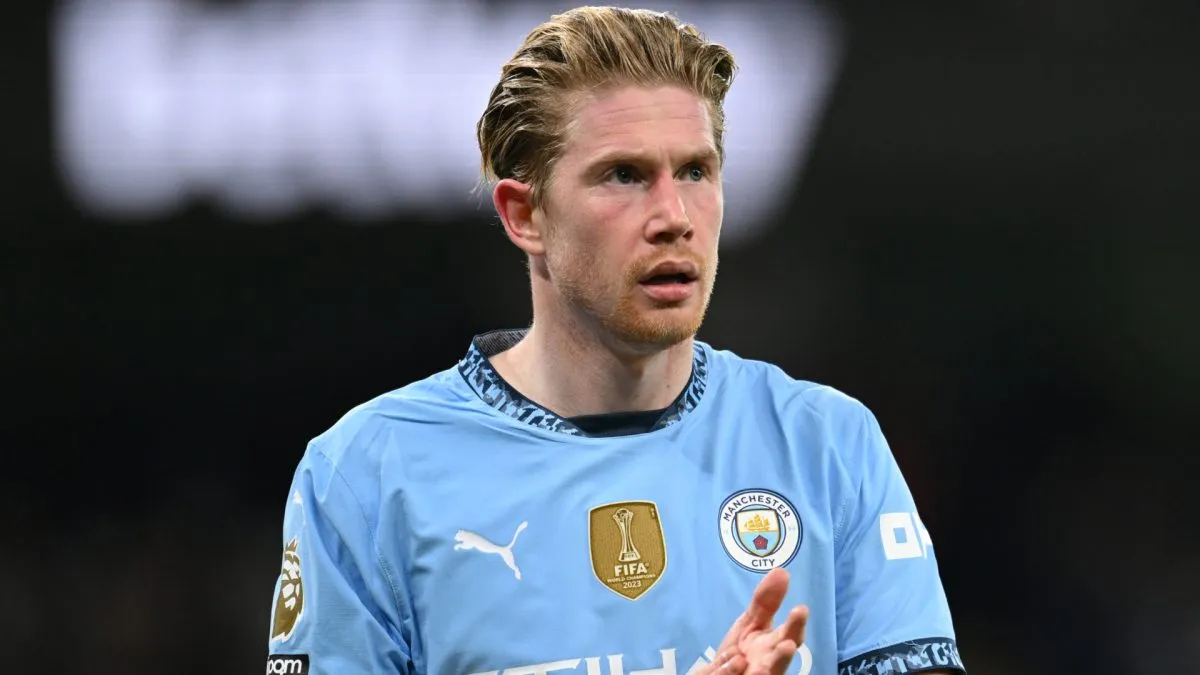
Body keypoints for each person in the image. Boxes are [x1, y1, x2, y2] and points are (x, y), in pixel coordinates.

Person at [264, 7, 965, 675]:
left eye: (695, 171)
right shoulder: (367, 472)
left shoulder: (828, 445)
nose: (674, 216)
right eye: (624, 176)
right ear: (525, 215)